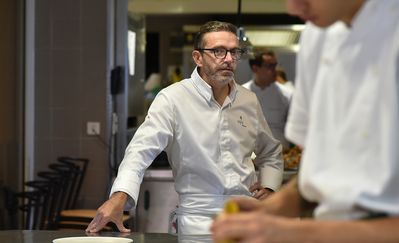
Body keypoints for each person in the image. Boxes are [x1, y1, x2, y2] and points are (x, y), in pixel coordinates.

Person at [211, 0, 399, 242]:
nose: (293, 9)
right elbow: (320, 172)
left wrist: (298, 233)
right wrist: (270, 210)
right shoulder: (317, 35)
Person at [86, 21, 283, 236]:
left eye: (234, 52)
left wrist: (271, 187)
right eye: (218, 51)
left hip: (247, 216)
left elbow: (270, 151)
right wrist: (119, 195)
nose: (228, 59)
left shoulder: (248, 100)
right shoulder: (172, 99)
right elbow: (140, 151)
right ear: (198, 57)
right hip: (197, 221)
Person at [243, 48, 293, 149]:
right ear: (255, 68)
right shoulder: (241, 93)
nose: (275, 70)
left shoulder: (288, 95)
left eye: (275, 65)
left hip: (280, 156)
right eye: (270, 66)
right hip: (250, 157)